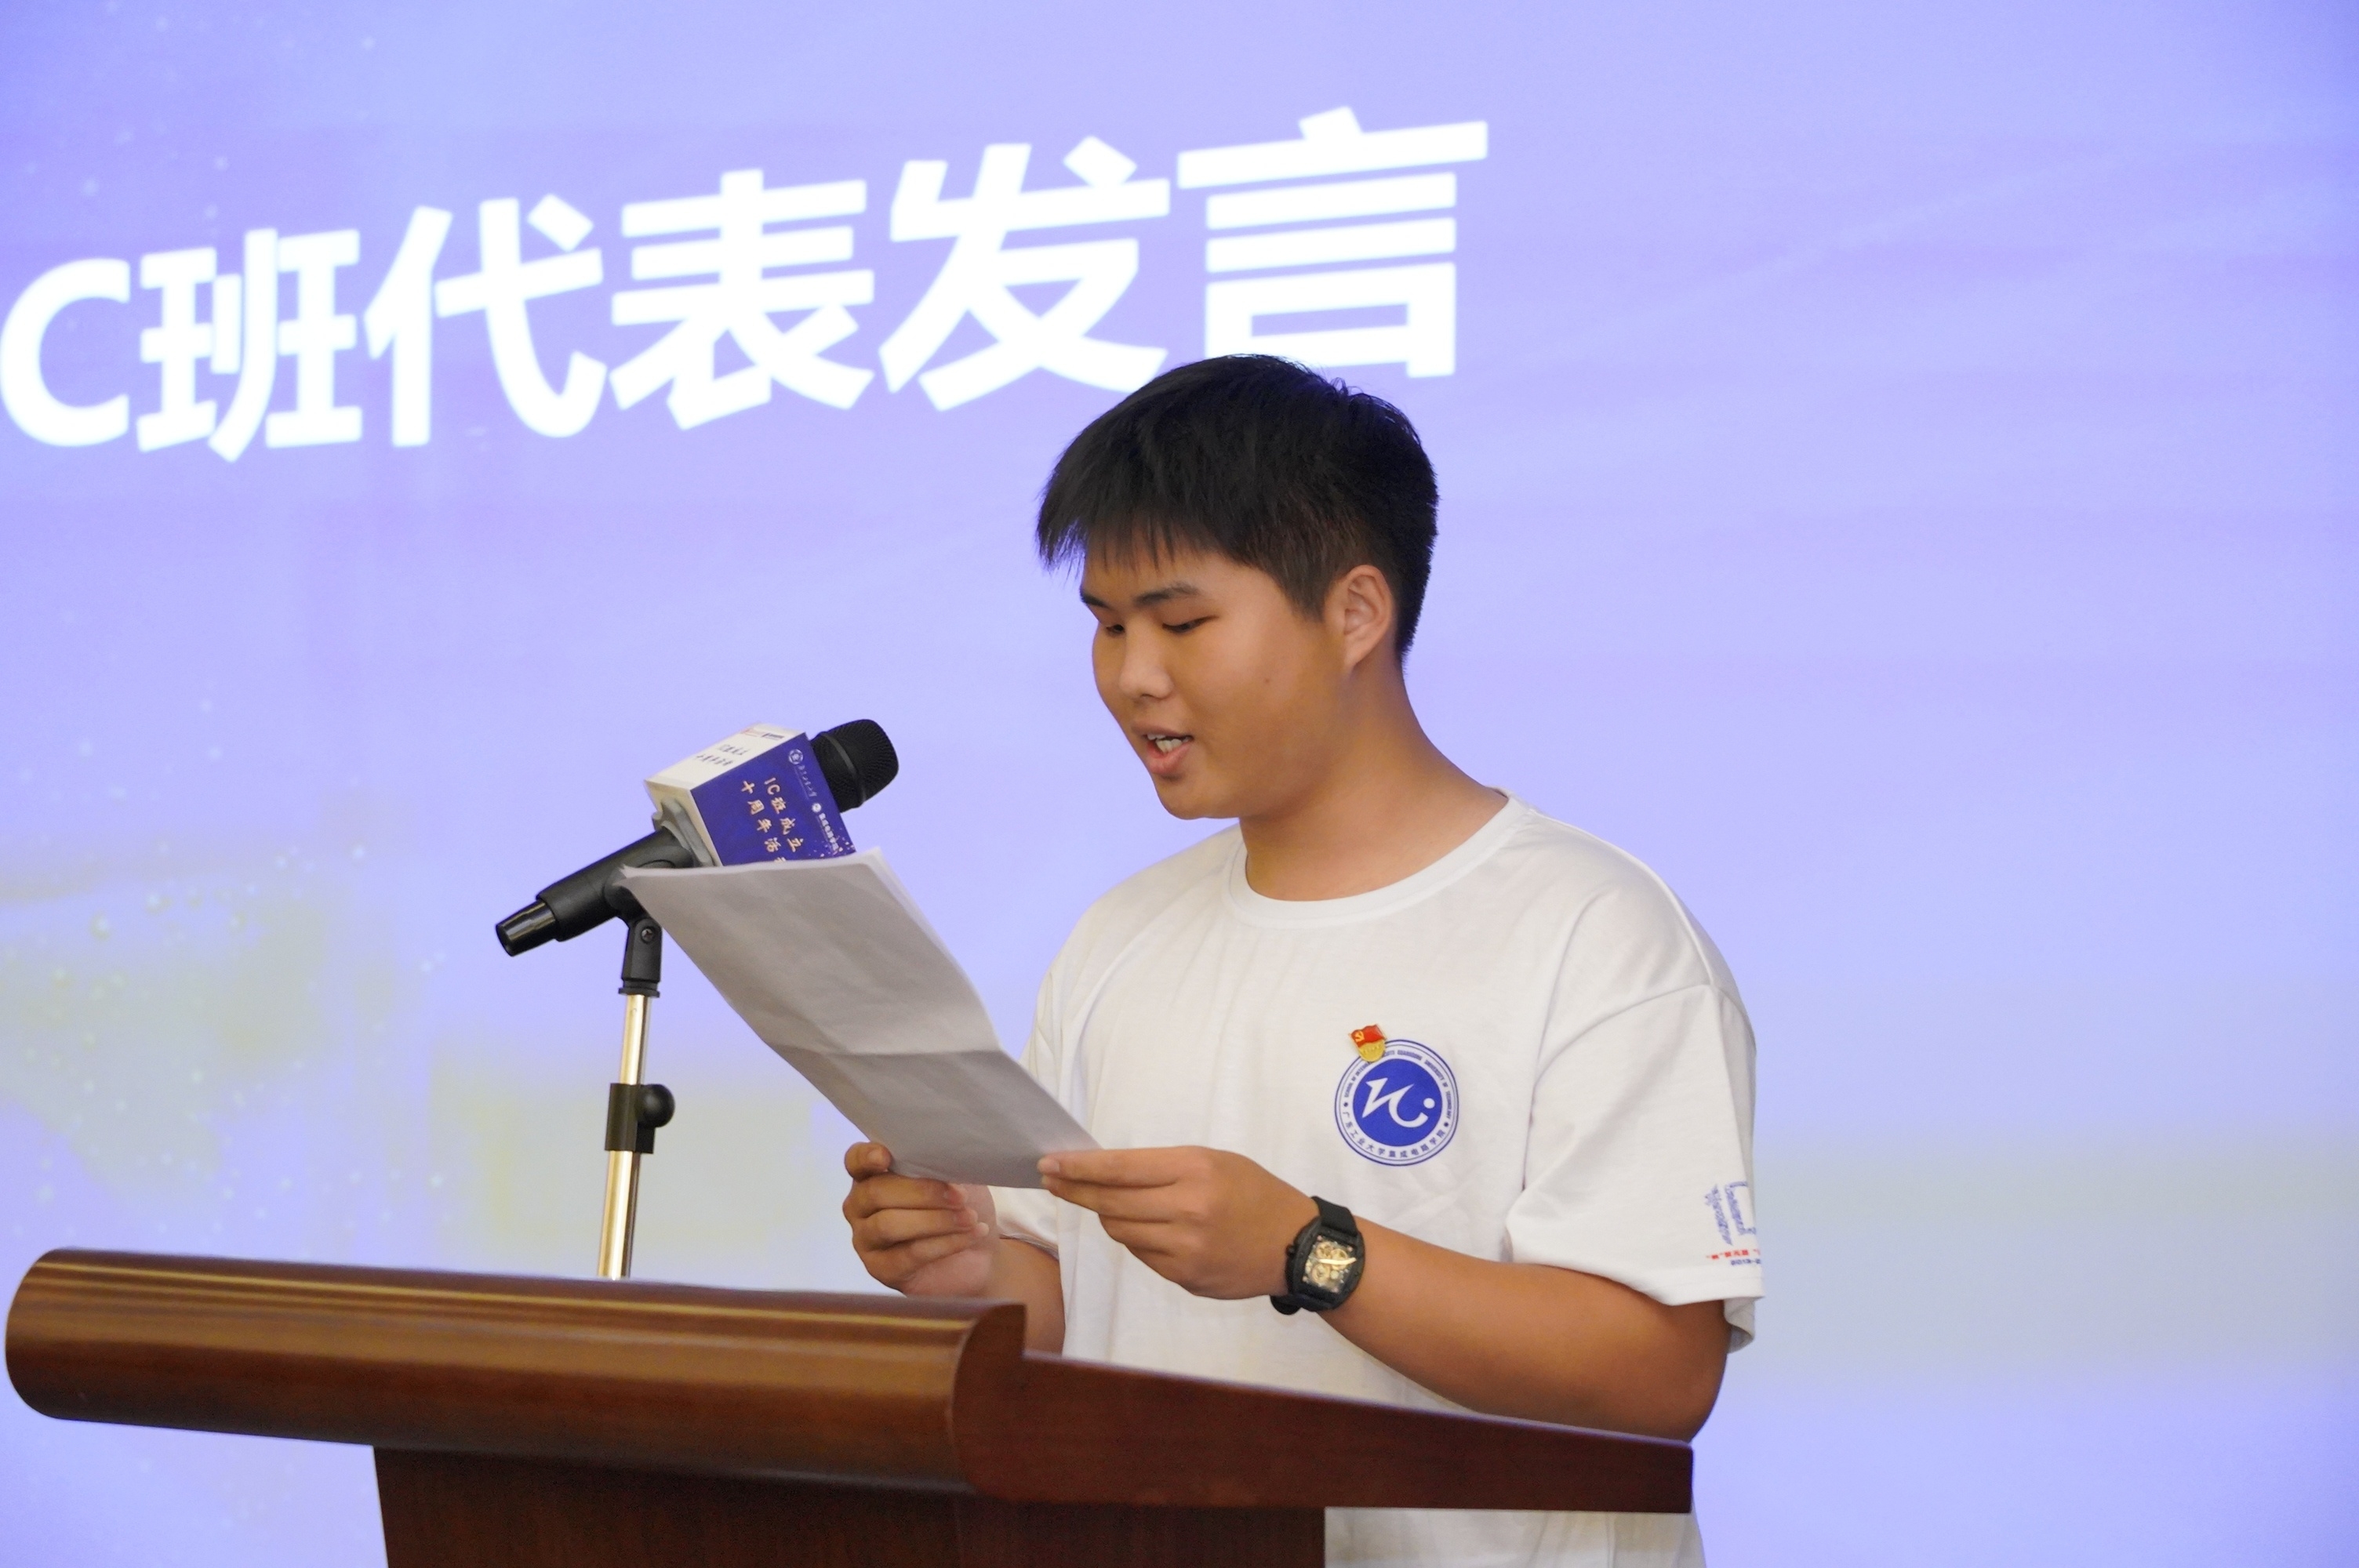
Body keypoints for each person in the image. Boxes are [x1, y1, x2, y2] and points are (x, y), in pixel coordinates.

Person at [841, 354, 1761, 1567]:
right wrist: (973, 1267)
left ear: (1356, 614)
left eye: (1181, 623)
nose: (1133, 676)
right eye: (1108, 626)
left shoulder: (1594, 931)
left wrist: (1308, 1249)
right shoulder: (1120, 936)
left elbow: (1659, 1374)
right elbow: (1088, 1312)